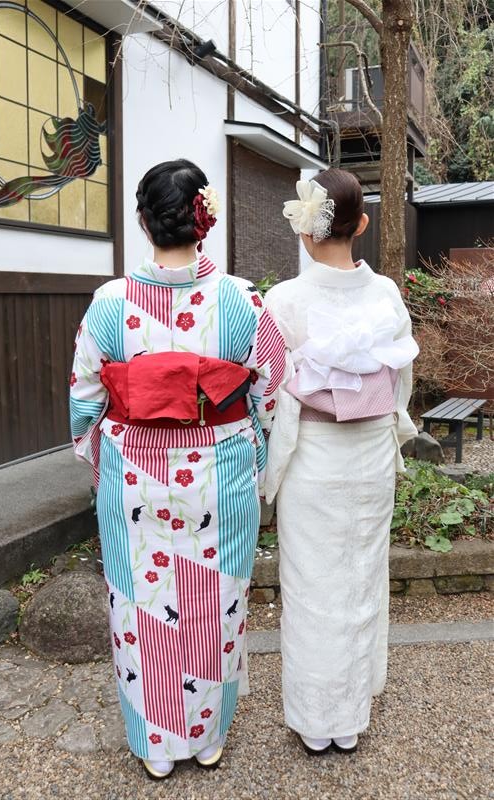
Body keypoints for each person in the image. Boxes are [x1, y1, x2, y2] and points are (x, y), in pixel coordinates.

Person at [69, 159, 285, 779]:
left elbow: (85, 397)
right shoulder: (243, 299)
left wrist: (100, 457)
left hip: (133, 475)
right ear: (203, 219)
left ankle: (155, 743)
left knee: (140, 602)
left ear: (143, 221)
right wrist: (253, 448)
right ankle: (207, 736)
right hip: (220, 473)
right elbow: (269, 389)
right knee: (216, 601)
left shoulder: (109, 302)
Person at [264, 169, 418, 756]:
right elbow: (401, 380)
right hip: (371, 452)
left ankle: (317, 719)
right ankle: (351, 715)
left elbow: (270, 389)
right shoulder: (386, 295)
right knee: (360, 577)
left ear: (306, 231)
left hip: (312, 455)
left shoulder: (284, 300)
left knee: (311, 587)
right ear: (362, 224)